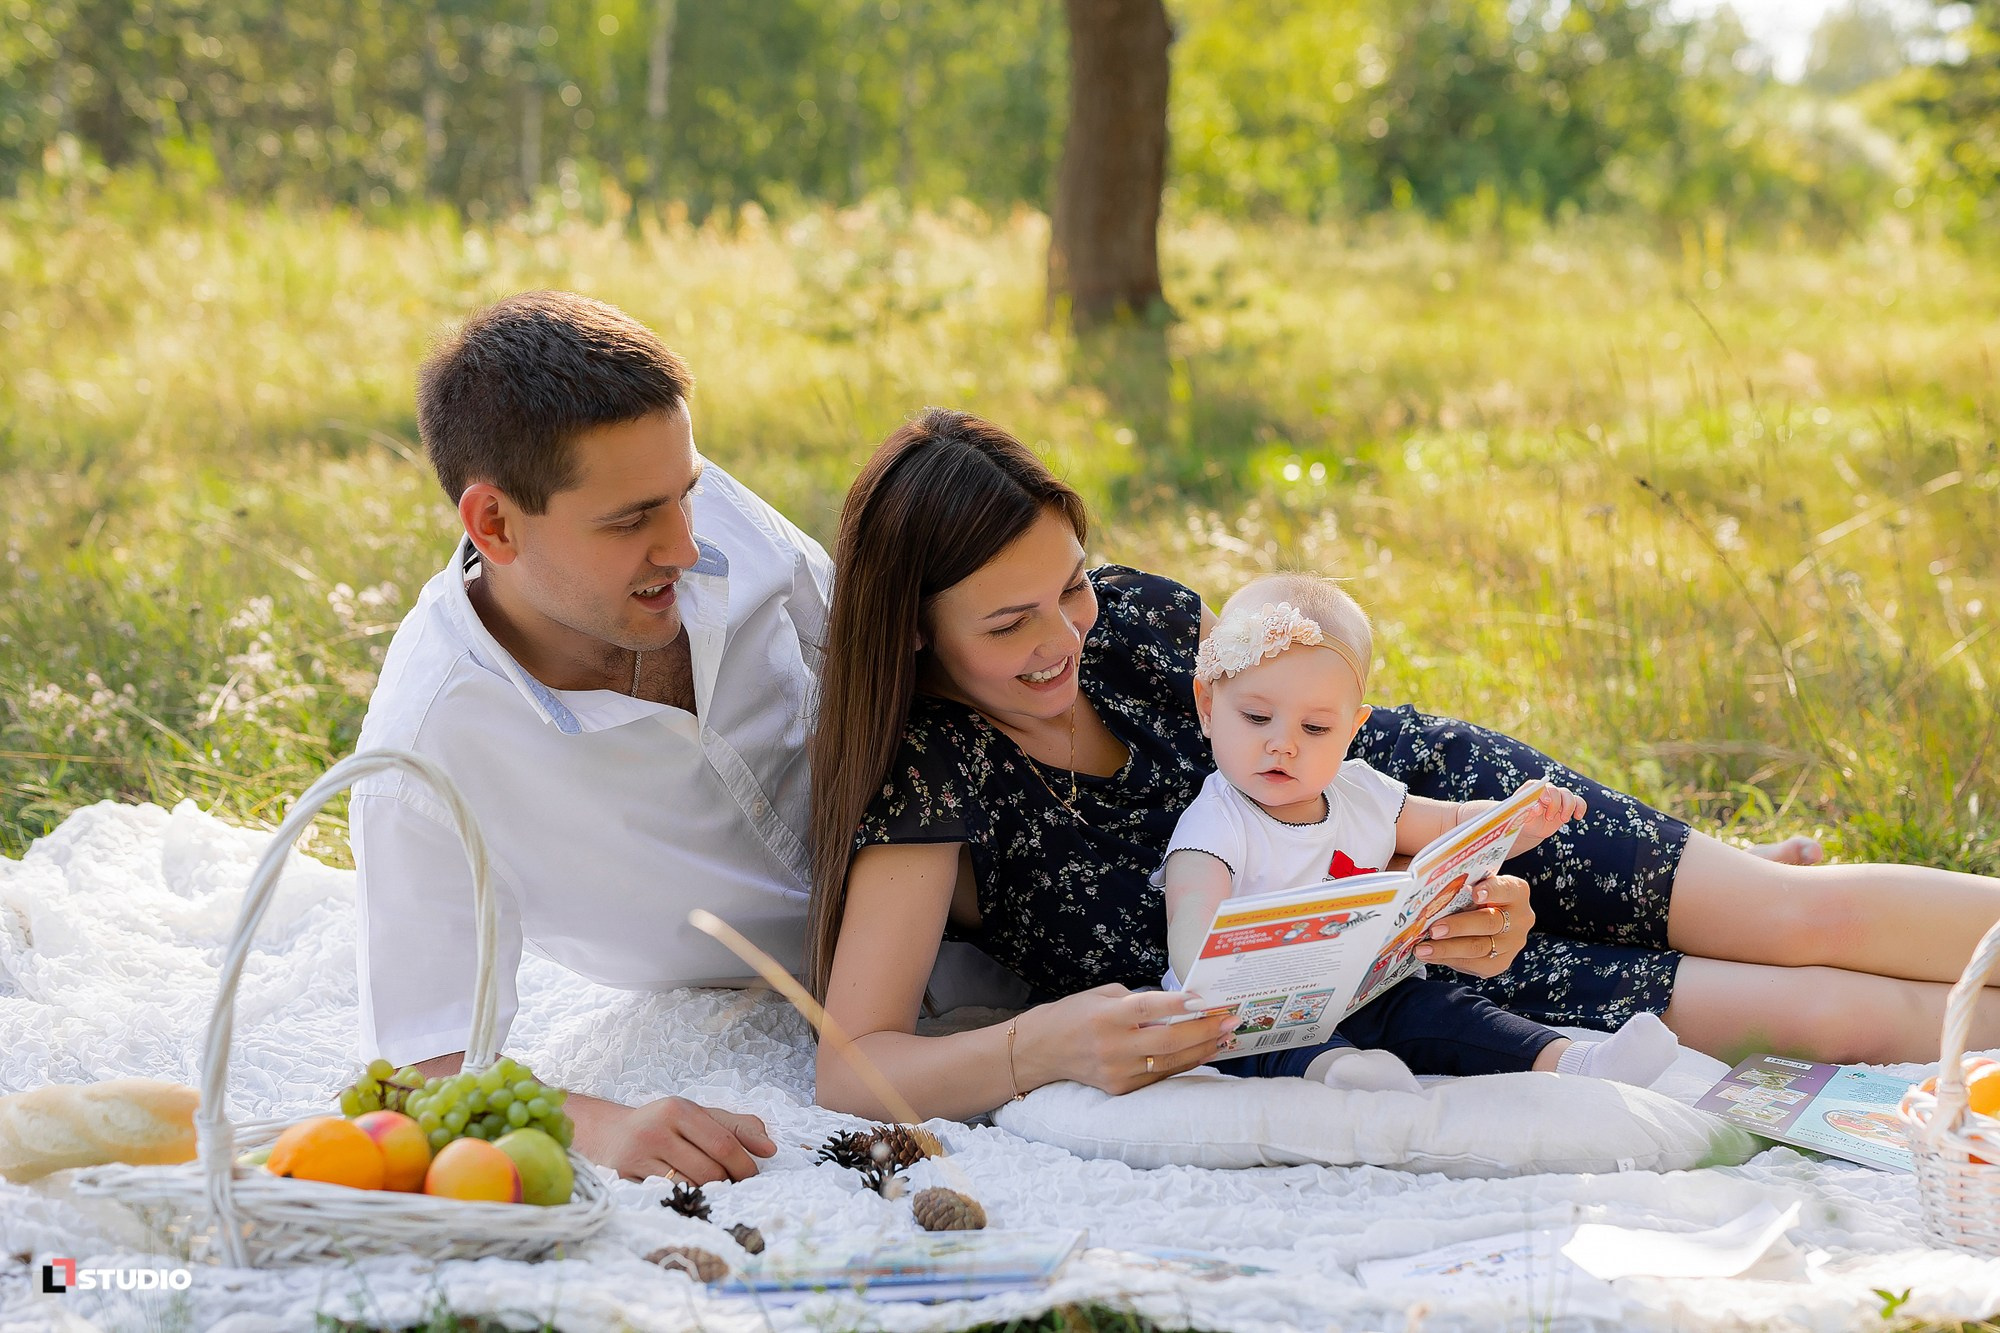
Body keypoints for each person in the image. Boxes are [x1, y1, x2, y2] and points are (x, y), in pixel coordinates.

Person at [805, 407, 2000, 1123]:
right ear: (912, 625)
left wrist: (1470, 867)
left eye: (1067, 585)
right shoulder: (935, 777)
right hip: (1398, 982)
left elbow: (1301, 697)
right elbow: (853, 1065)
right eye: (1007, 623)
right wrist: (1040, 1046)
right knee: (1830, 1013)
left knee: (1798, 913)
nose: (1064, 638)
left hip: (1430, 804)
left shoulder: (1142, 626)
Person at [350, 290, 830, 1184]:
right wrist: (603, 1127)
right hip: (796, 1000)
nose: (686, 545)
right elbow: (424, 1067)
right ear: (494, 524)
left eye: (683, 495)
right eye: (631, 521)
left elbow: (872, 644)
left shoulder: (687, 503)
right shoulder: (427, 754)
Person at [1157, 571, 1678, 1092]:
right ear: (1208, 707)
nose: (1283, 745)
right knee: (1281, 1044)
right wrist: (1239, 974)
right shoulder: (1218, 821)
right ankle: (1341, 1078)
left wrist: (1516, 821)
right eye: (1256, 717)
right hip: (1254, 1010)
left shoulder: (1360, 793)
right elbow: (1191, 928)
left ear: (1352, 729)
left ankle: (1573, 1062)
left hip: (1365, 989)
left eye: (1315, 729)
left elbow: (1452, 826)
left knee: (1444, 1010)